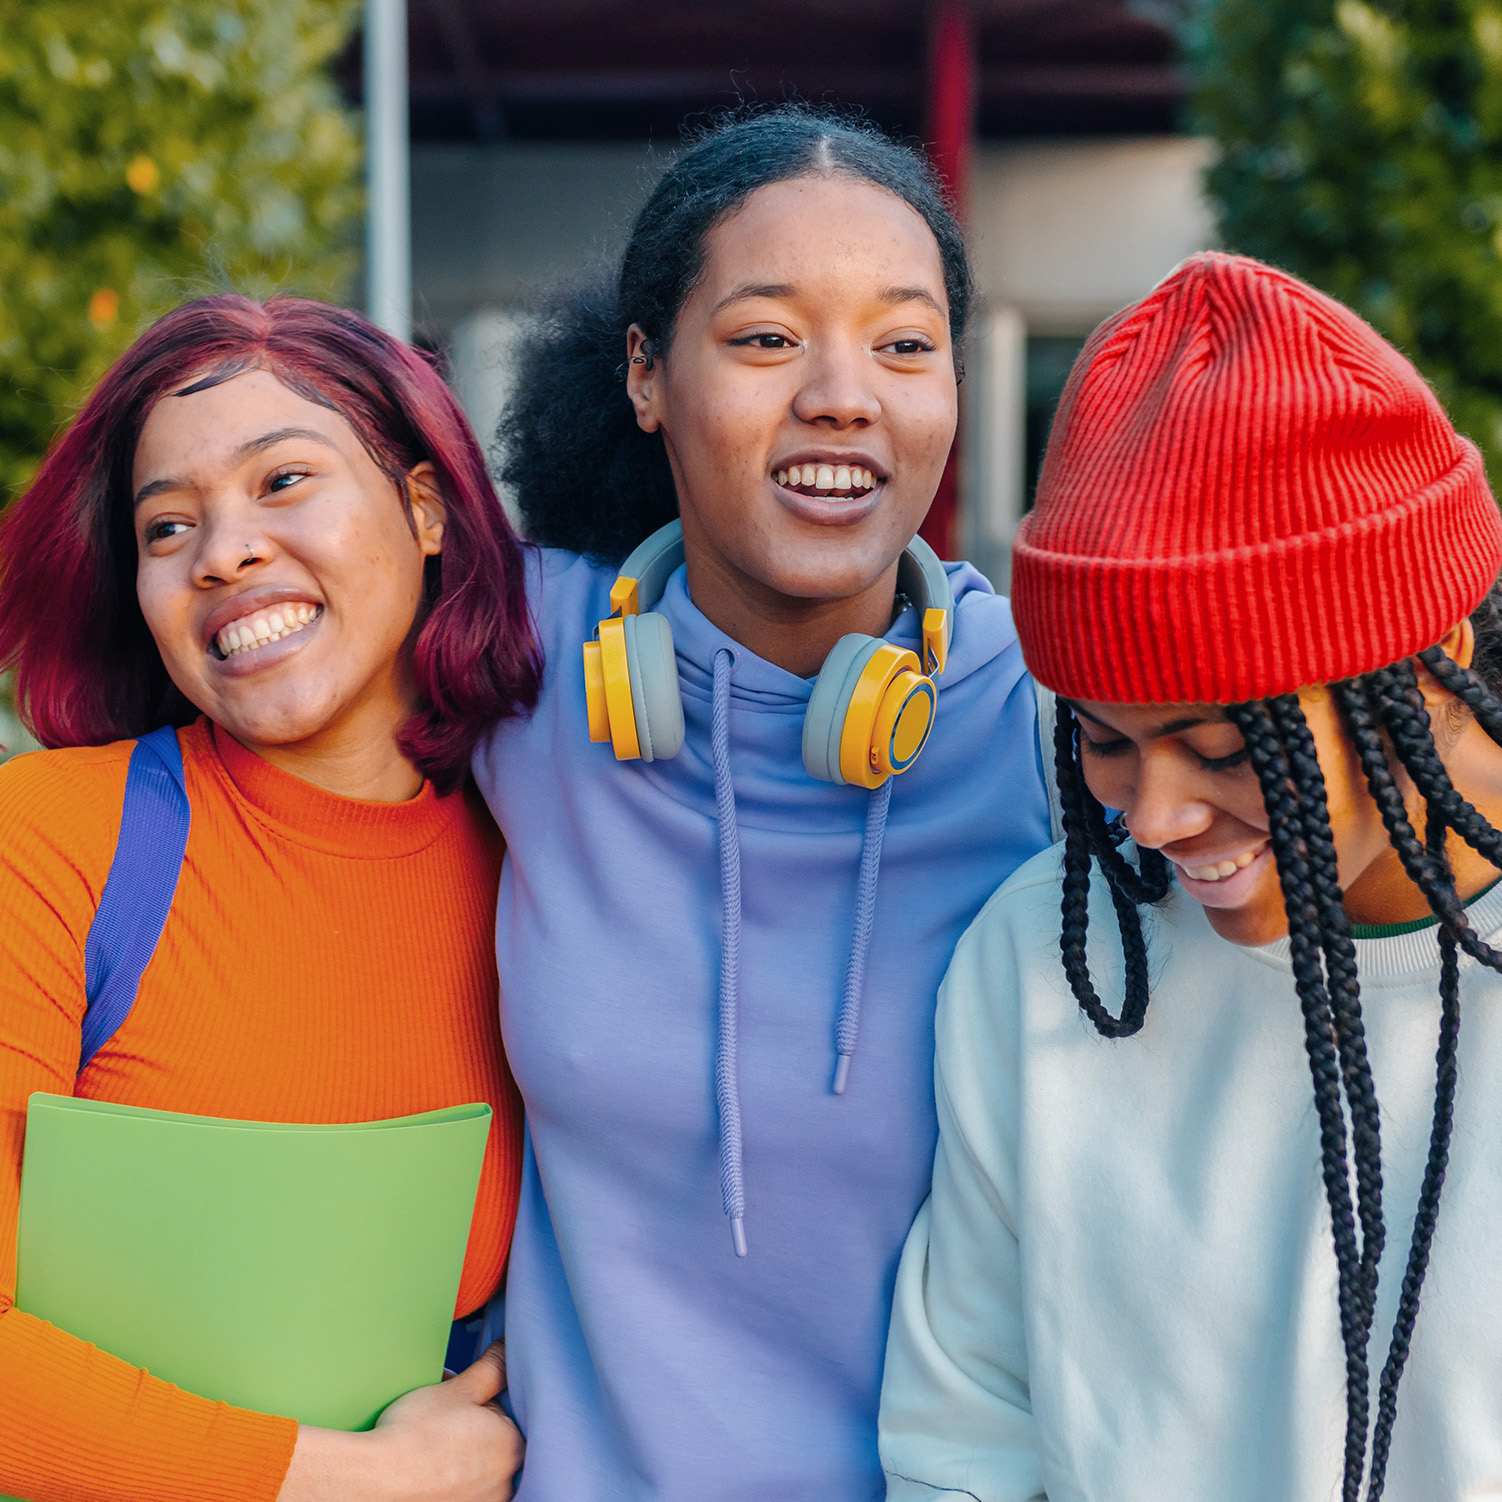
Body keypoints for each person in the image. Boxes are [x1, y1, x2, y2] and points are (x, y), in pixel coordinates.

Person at [472, 108, 1055, 1500]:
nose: (845, 394)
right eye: (765, 337)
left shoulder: (1063, 725)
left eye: (903, 343)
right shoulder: (511, 662)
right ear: (645, 376)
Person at [879, 251, 1502, 1501]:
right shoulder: (1043, 962)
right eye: (1103, 741)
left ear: (1428, 651)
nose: (1154, 813)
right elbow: (963, 1443)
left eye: (1224, 746)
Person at [0, 295, 539, 1502]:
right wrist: (348, 1478)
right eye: (168, 525)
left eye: (283, 479)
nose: (224, 551)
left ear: (425, 506)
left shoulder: (546, 863)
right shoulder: (47, 844)